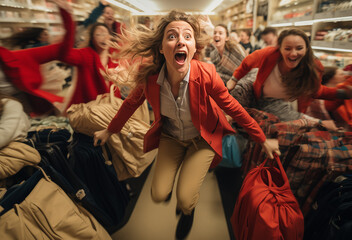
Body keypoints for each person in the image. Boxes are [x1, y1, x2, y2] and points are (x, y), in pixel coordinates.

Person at [93, 10, 280, 239]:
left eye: (187, 36)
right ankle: (176, 190)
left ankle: (187, 212)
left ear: (193, 48)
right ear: (161, 47)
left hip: (201, 140)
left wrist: (261, 139)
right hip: (171, 138)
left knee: (185, 199)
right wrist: (109, 130)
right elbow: (130, 104)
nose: (180, 40)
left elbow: (233, 108)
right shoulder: (150, 78)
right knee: (159, 194)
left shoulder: (208, 73)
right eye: (172, 36)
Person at [226, 29, 352, 116]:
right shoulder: (269, 55)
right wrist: (234, 79)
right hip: (264, 106)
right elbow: (247, 62)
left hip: (292, 113)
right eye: (287, 48)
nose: (293, 53)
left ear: (307, 49)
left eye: (299, 48)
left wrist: (341, 93)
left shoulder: (314, 67)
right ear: (279, 48)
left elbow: (316, 91)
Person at [0, 0, 74, 115]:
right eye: (44, 34)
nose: (47, 36)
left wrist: (66, 14)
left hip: (33, 113)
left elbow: (62, 49)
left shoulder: (18, 58)